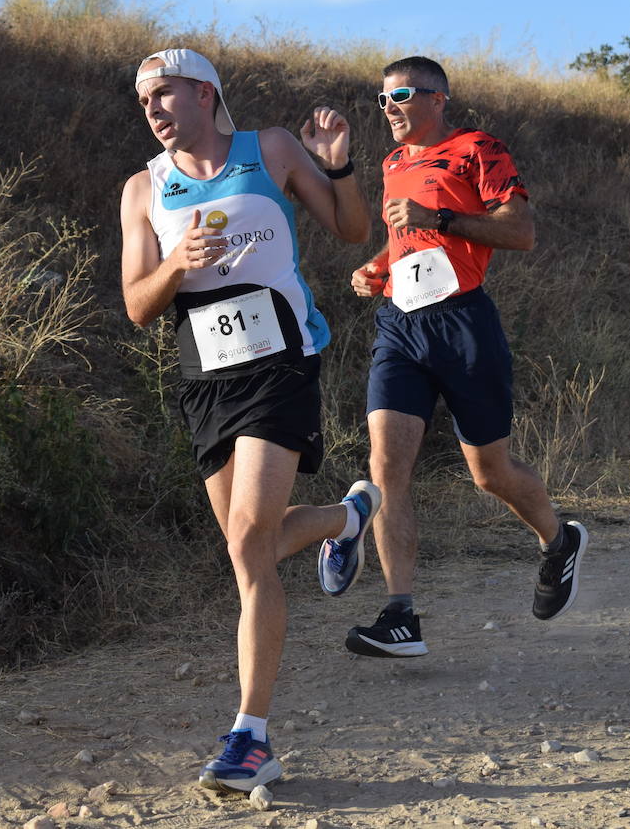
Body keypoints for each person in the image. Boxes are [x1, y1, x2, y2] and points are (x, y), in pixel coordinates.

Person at [119, 48, 380, 791]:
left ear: (205, 93)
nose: (154, 108)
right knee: (249, 551)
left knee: (247, 539)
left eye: (165, 93)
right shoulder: (144, 190)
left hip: (281, 363)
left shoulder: (267, 149)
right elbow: (139, 307)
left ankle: (251, 737)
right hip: (205, 378)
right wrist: (177, 264)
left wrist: (337, 166)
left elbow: (353, 230)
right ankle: (346, 517)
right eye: (144, 101)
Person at [317, 55, 588, 658]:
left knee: (489, 473)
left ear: (438, 99)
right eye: (382, 98)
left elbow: (520, 232)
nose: (389, 107)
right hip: (400, 325)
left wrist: (438, 216)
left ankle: (558, 540)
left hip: (464, 322)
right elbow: (402, 238)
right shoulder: (392, 163)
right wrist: (377, 269)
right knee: (386, 466)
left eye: (403, 95)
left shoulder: (477, 148)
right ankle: (400, 615)